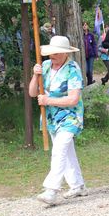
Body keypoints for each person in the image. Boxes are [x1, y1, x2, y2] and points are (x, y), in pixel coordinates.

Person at [29, 35, 88, 205]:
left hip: (70, 116)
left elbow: (73, 99)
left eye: (56, 53)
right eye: (51, 53)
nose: (52, 56)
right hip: (51, 117)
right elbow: (33, 93)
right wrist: (34, 75)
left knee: (59, 150)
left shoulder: (72, 69)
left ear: (65, 54)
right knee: (66, 151)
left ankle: (51, 190)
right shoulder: (45, 66)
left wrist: (48, 100)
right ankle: (78, 185)